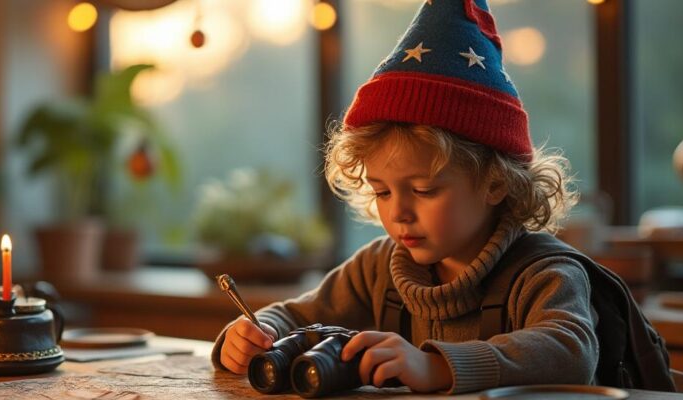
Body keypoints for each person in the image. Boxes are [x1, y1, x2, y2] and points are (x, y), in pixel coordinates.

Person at [212, 0, 599, 394]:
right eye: (381, 191)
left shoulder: (542, 272)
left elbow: (571, 351)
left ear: (496, 182)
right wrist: (257, 332)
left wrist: (438, 366)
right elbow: (297, 314)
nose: (398, 213)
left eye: (423, 190)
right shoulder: (379, 268)